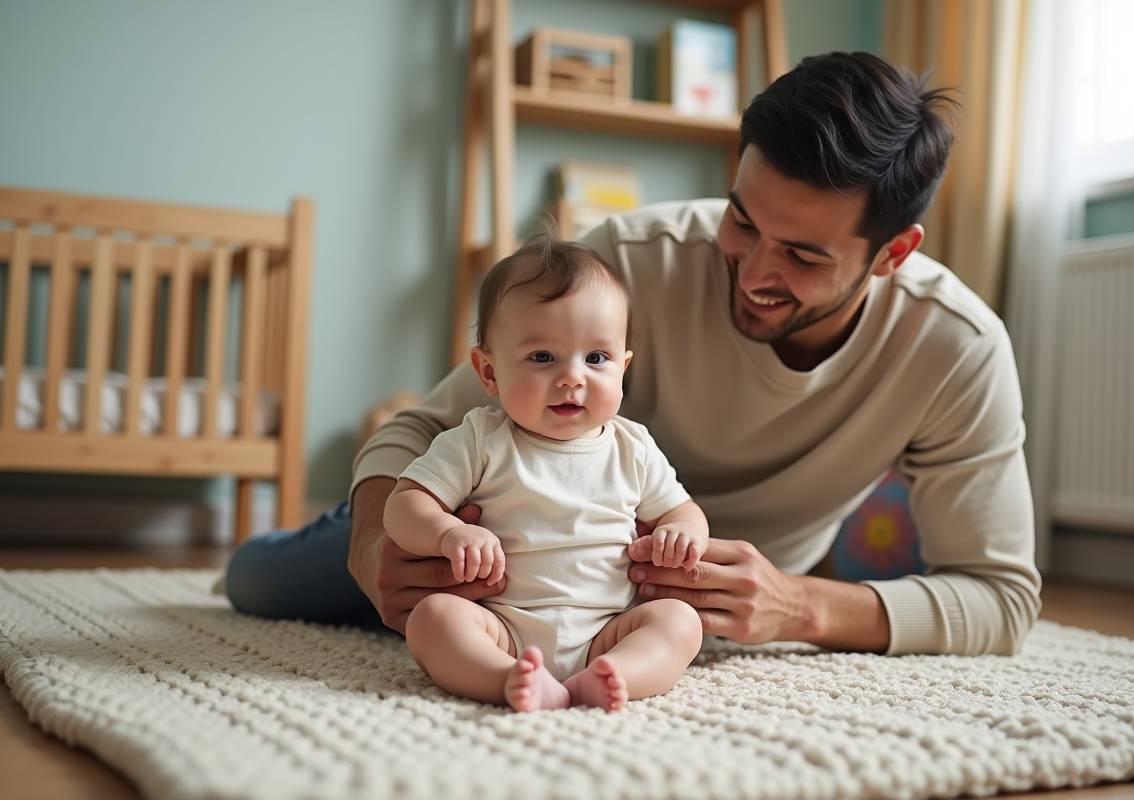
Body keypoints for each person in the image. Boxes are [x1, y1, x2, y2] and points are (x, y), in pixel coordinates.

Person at [224, 51, 1041, 657]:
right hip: (503, 538)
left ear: (892, 253)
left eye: (803, 256)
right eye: (743, 221)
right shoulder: (628, 258)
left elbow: (1002, 598)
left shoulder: (956, 350)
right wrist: (375, 552)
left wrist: (803, 607)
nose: (755, 272)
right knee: (259, 585)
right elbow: (421, 429)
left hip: (659, 612)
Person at [384, 231, 708, 711]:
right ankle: (507, 679)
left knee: (681, 621)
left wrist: (682, 534)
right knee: (432, 618)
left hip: (609, 629)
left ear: (624, 366)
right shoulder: (481, 439)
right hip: (502, 627)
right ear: (489, 372)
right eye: (542, 357)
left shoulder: (632, 446)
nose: (572, 377)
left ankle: (616, 673)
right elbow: (405, 504)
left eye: (597, 358)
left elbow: (684, 511)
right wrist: (447, 533)